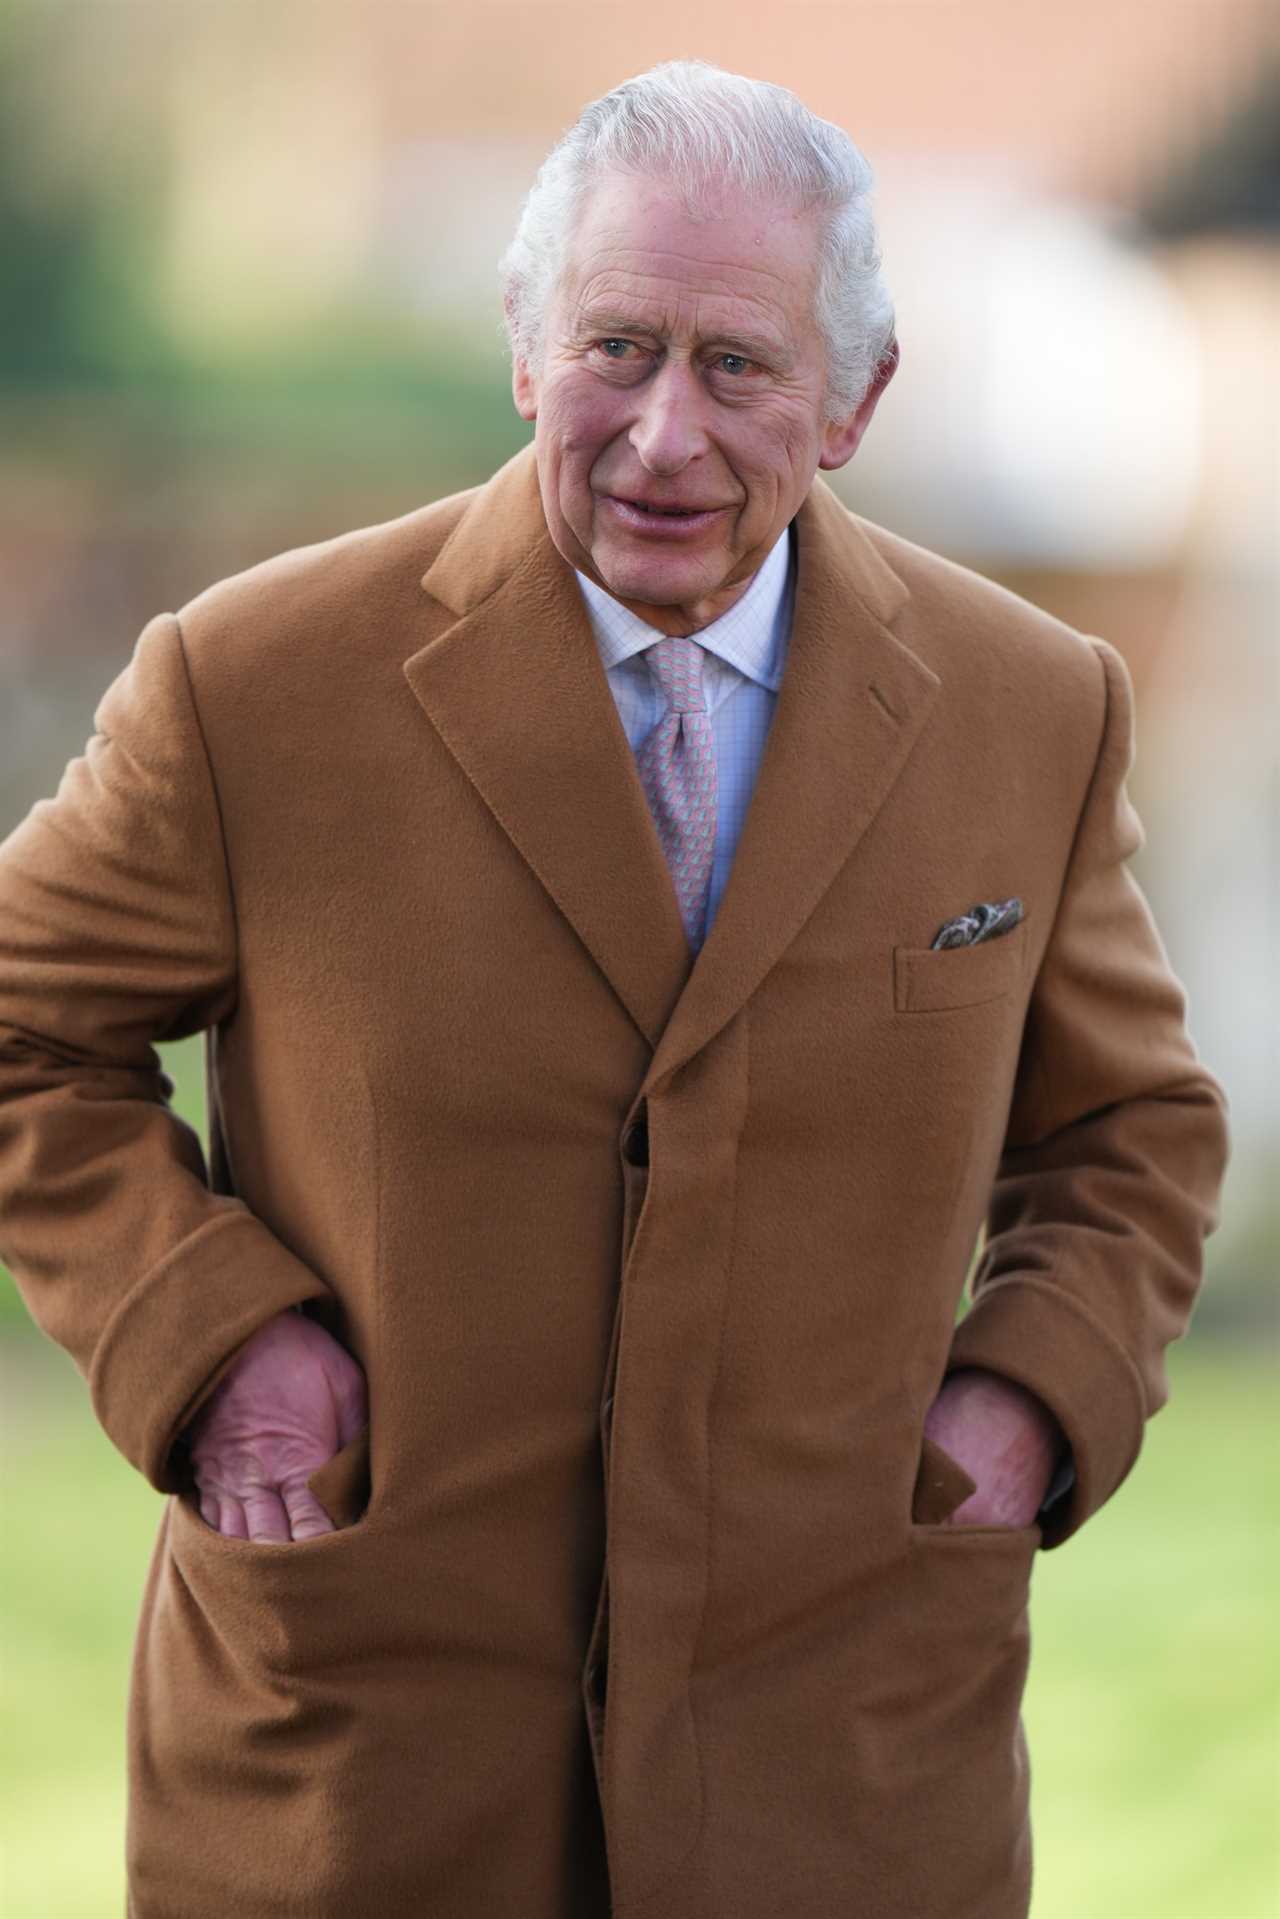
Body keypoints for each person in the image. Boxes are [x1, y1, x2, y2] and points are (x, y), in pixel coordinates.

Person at [0, 58, 1229, 1919]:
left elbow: (1132, 1129)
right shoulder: (248, 685)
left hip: (850, 1791)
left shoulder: (1033, 709)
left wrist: (1029, 1406)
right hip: (365, 1788)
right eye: (616, 349)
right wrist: (212, 1338)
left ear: (856, 399)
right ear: (520, 349)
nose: (663, 434)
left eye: (738, 367)